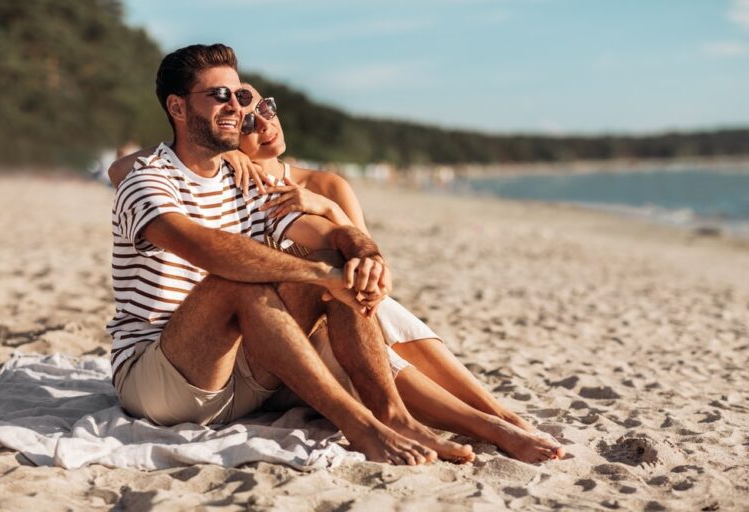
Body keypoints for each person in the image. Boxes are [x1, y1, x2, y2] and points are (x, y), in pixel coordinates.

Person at [109, 66, 565, 462]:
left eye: (253, 103)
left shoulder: (259, 185)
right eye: (223, 99)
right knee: (246, 280)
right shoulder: (149, 177)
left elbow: (333, 239)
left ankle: (399, 417)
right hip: (163, 372)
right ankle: (369, 427)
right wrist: (324, 274)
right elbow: (198, 242)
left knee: (341, 271)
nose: (252, 118)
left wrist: (362, 254)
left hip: (248, 366)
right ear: (179, 107)